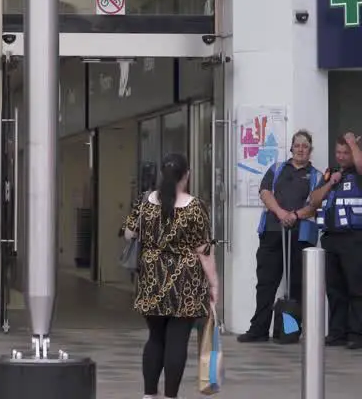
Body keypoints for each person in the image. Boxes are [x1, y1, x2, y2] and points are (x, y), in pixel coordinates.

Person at [123, 153, 219, 399]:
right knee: (177, 341)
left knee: (155, 338)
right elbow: (203, 250)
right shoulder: (195, 206)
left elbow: (129, 234)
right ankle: (170, 396)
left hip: (151, 277)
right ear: (186, 175)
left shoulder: (144, 201)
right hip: (185, 280)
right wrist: (214, 284)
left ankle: (148, 394)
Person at [236, 129, 323, 343]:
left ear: (310, 151)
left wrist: (295, 215)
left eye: (305, 146)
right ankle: (258, 330)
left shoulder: (317, 176)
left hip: (300, 236)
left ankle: (290, 331)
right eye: (298, 145)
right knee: (266, 283)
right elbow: (265, 192)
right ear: (291, 148)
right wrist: (281, 213)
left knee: (297, 285)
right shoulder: (276, 169)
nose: (301, 149)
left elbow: (315, 204)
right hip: (272, 233)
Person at [309, 132, 362, 349]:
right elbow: (313, 200)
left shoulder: (358, 173)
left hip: (354, 238)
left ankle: (357, 334)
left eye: (345, 152)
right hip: (331, 239)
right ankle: (337, 333)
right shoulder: (332, 173)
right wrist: (330, 183)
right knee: (335, 289)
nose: (341, 157)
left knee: (356, 288)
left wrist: (352, 142)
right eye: (338, 152)